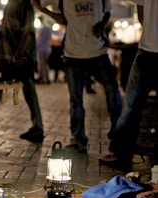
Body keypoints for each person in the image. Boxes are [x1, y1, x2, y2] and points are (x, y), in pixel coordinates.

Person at [33, 0, 122, 151]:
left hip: (98, 52)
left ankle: (117, 137)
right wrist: (48, 12)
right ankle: (78, 140)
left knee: (113, 92)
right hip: (73, 54)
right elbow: (58, 15)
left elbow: (107, 12)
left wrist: (102, 25)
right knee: (76, 100)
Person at [0, 0, 45, 143]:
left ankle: (38, 127)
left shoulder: (24, 4)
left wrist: (19, 53)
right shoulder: (10, 4)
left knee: (25, 90)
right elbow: (13, 30)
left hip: (18, 58)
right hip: (7, 57)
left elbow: (28, 32)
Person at [102, 0, 158, 171]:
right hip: (146, 50)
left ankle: (122, 154)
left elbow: (141, 13)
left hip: (147, 49)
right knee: (131, 107)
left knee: (131, 107)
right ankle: (122, 154)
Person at [36, 16, 52, 84]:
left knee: (42, 64)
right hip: (47, 48)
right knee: (45, 64)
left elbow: (39, 40)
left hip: (42, 49)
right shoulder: (48, 28)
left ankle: (43, 78)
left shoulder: (42, 28)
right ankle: (45, 78)